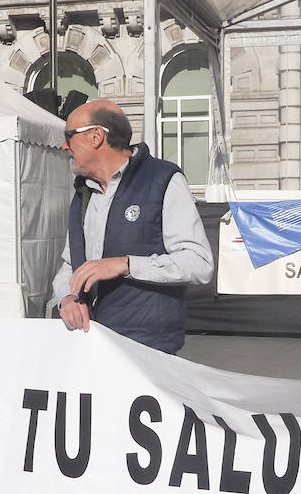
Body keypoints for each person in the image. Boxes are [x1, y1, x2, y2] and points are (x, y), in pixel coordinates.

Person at [52, 99, 213, 353]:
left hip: (147, 352)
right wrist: (67, 298)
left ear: (96, 136)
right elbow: (69, 266)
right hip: (92, 345)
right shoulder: (83, 193)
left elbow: (200, 263)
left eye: (69, 136)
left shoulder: (163, 180)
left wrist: (125, 264)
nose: (63, 146)